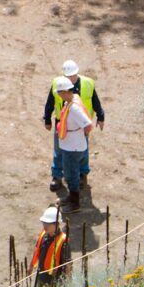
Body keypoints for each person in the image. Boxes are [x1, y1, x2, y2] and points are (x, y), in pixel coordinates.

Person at [43, 60, 104, 191]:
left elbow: (95, 100)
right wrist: (47, 119)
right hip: (62, 123)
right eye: (68, 76)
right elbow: (50, 102)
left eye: (73, 75)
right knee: (59, 150)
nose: (71, 78)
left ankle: (82, 174)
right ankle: (57, 175)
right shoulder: (57, 84)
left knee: (83, 151)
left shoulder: (87, 83)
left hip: (81, 125)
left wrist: (101, 116)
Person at [53, 77, 93, 212]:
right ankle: (71, 197)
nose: (58, 95)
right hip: (70, 145)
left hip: (73, 147)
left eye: (59, 92)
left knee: (71, 175)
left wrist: (80, 136)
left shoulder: (74, 108)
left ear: (65, 92)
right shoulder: (69, 102)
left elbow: (87, 125)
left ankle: (75, 203)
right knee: (70, 173)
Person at [31, 206, 71, 287]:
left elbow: (67, 264)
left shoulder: (63, 241)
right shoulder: (43, 235)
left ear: (56, 224)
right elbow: (37, 249)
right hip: (41, 275)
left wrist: (67, 283)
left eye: (48, 224)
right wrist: (30, 266)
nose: (45, 226)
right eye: (44, 223)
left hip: (54, 281)